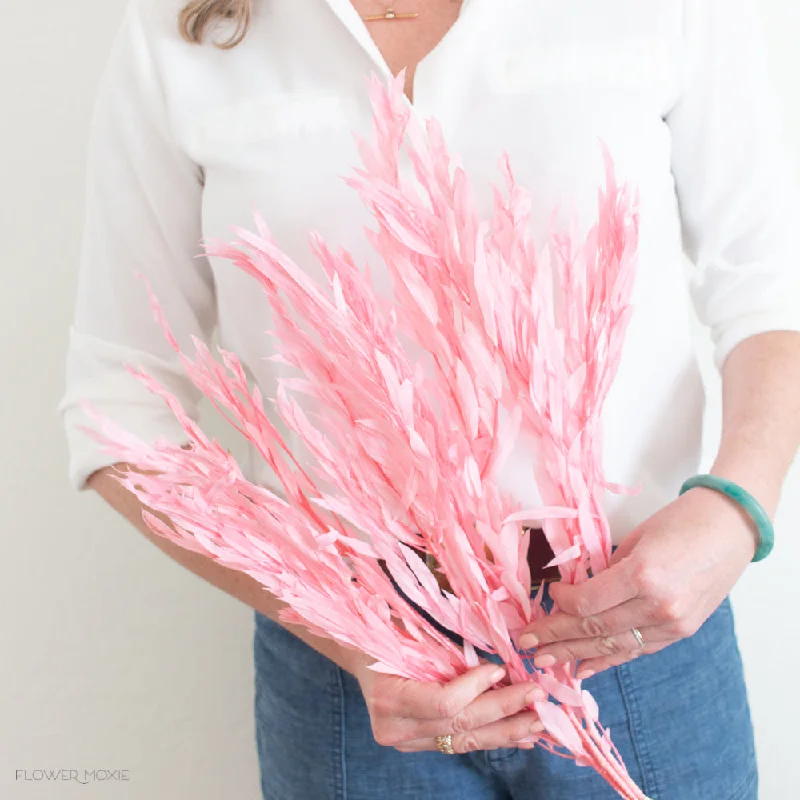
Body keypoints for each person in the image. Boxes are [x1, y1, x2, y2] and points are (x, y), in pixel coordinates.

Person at [58, 0, 800, 797]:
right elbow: (116, 400)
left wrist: (737, 507)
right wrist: (346, 631)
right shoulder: (183, 31)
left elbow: (771, 288)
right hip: (354, 677)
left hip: (637, 633)